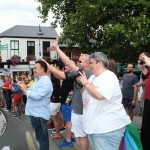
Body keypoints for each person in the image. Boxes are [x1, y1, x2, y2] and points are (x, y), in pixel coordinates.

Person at [78, 52, 131, 150]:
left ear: (100, 63)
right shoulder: (93, 77)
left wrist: (85, 83)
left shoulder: (109, 77)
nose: (89, 65)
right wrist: (82, 84)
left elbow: (99, 95)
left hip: (107, 129)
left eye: (91, 63)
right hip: (95, 128)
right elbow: (84, 93)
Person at [19, 60, 53, 150]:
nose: (33, 70)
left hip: (39, 115)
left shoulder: (45, 81)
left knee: (42, 139)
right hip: (35, 114)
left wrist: (26, 90)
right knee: (39, 138)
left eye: (35, 68)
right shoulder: (38, 80)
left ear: (42, 69)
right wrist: (26, 89)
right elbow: (34, 92)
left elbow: (37, 95)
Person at [42, 59, 75, 147]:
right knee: (69, 121)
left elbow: (57, 74)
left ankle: (68, 140)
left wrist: (46, 64)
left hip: (67, 102)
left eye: (68, 65)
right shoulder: (71, 75)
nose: (66, 67)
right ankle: (72, 136)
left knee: (68, 122)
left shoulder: (70, 75)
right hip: (65, 101)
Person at [138, 52, 150, 150]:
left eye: (142, 58)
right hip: (148, 99)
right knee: (145, 128)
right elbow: (148, 77)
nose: (141, 60)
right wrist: (143, 68)